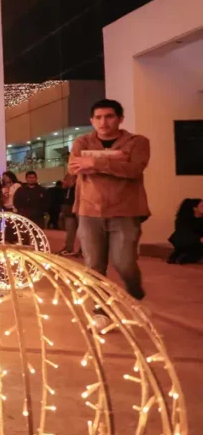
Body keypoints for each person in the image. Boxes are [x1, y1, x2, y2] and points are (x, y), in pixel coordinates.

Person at [69, 99, 150, 300]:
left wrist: (94, 162)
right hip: (89, 211)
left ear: (120, 118)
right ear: (92, 120)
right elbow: (73, 168)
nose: (103, 122)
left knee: (124, 263)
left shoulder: (137, 142)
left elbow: (134, 169)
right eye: (98, 117)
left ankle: (135, 292)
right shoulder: (82, 142)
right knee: (94, 267)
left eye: (109, 116)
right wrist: (115, 160)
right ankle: (101, 309)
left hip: (125, 211)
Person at [168, 198, 203, 265]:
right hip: (186, 241)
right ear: (194, 208)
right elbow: (183, 233)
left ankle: (182, 256)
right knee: (182, 237)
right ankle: (181, 256)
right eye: (202, 206)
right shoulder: (183, 219)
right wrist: (199, 239)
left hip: (196, 243)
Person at [59, 174, 79, 257]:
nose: (63, 181)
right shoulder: (66, 190)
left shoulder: (78, 187)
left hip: (79, 211)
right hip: (69, 212)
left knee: (82, 232)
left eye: (65, 179)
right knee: (70, 230)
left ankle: (82, 250)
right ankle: (69, 248)